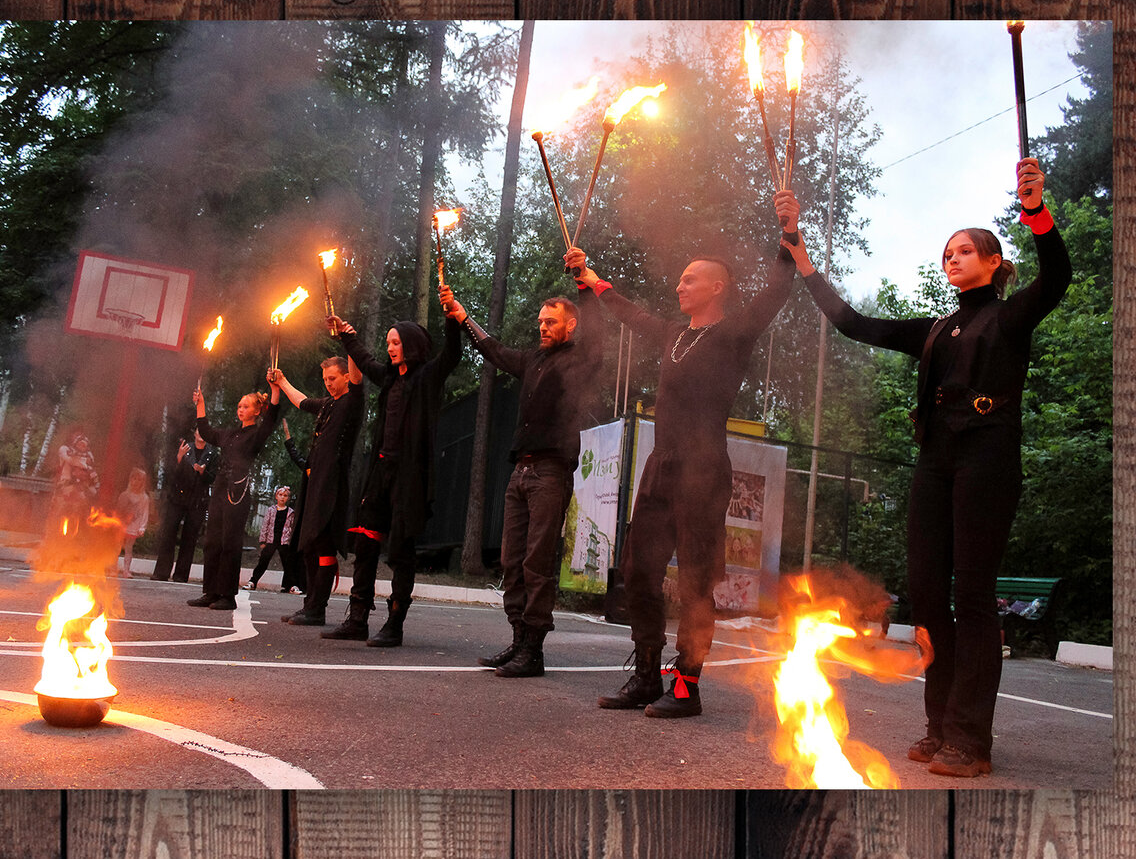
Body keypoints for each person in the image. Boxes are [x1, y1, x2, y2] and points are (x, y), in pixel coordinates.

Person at [782, 158, 1069, 777]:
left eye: (965, 251)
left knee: (972, 596)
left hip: (988, 456)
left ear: (993, 262)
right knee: (927, 594)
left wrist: (1034, 208)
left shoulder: (1010, 316)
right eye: (947, 254)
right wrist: (805, 262)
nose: (953, 259)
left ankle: (972, 739)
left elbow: (1058, 277)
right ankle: (940, 726)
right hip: (936, 461)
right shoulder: (938, 329)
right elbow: (853, 323)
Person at [566, 194, 797, 719]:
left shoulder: (735, 332)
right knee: (638, 572)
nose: (679, 284)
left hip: (704, 469)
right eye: (680, 278)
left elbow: (778, 291)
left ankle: (687, 686)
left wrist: (789, 232)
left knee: (696, 579)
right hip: (661, 466)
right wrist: (589, 278)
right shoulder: (673, 334)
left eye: (690, 278)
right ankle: (648, 677)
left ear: (717, 287)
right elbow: (627, 311)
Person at [439, 282, 601, 677]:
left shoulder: (581, 360)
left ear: (572, 325)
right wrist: (462, 318)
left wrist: (584, 283)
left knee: (536, 563)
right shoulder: (533, 360)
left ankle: (534, 650)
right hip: (521, 471)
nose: (543, 327)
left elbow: (599, 331)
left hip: (551, 471)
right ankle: (517, 641)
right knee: (512, 561)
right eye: (541, 322)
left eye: (551, 322)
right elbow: (493, 349)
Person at [322, 291, 462, 647]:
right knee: (366, 543)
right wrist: (345, 334)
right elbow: (365, 360)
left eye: (396, 342)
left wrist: (450, 316)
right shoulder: (388, 377)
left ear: (411, 344)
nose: (390, 347)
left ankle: (394, 625)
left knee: (400, 550)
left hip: (409, 477)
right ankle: (357, 619)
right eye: (388, 342)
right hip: (380, 471)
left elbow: (452, 354)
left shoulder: (427, 376)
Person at [271, 354, 365, 628]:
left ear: (347, 376)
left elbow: (360, 377)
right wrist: (283, 381)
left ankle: (317, 608)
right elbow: (301, 401)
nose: (328, 384)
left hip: (331, 486)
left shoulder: (353, 402)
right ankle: (310, 606)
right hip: (314, 483)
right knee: (309, 544)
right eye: (325, 380)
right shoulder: (327, 404)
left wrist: (349, 339)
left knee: (323, 545)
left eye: (333, 378)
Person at [188, 382, 281, 611]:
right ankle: (210, 592)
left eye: (246, 406)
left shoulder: (256, 434)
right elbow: (207, 432)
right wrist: (201, 404)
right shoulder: (230, 433)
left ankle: (227, 596)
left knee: (230, 543)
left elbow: (272, 418)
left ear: (257, 411)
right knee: (212, 541)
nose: (240, 409)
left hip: (237, 490)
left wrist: (275, 389)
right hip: (220, 486)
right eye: (239, 406)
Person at [152, 428, 217, 582]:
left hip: (197, 501)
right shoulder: (185, 448)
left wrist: (202, 472)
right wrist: (179, 458)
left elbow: (213, 478)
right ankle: (161, 572)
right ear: (194, 433)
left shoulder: (212, 455)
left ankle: (181, 575)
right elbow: (172, 474)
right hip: (178, 497)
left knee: (190, 538)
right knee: (168, 533)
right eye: (198, 430)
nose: (201, 433)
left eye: (204, 431)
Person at [244, 486, 299, 591]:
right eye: (280, 495)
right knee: (263, 561)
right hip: (271, 540)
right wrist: (262, 540)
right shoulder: (271, 510)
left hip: (284, 541)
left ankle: (291, 585)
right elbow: (265, 525)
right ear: (276, 496)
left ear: (288, 498)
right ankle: (253, 581)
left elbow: (292, 528)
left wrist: (290, 541)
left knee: (288, 564)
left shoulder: (290, 512)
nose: (282, 498)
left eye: (285, 496)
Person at [48, 430, 98, 534]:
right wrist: (84, 464)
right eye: (77, 436)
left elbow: (91, 463)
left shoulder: (88, 453)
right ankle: (52, 536)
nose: (79, 438)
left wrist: (86, 467)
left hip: (80, 486)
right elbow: (70, 460)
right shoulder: (64, 449)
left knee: (78, 511)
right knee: (58, 511)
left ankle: (74, 536)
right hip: (65, 484)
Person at [115, 468, 150, 578]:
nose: (136, 481)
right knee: (117, 547)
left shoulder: (144, 498)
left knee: (129, 548)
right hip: (122, 525)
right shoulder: (124, 495)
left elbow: (145, 513)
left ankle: (126, 570)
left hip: (134, 526)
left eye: (139, 479)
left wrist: (142, 527)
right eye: (134, 478)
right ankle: (113, 568)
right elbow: (119, 510)